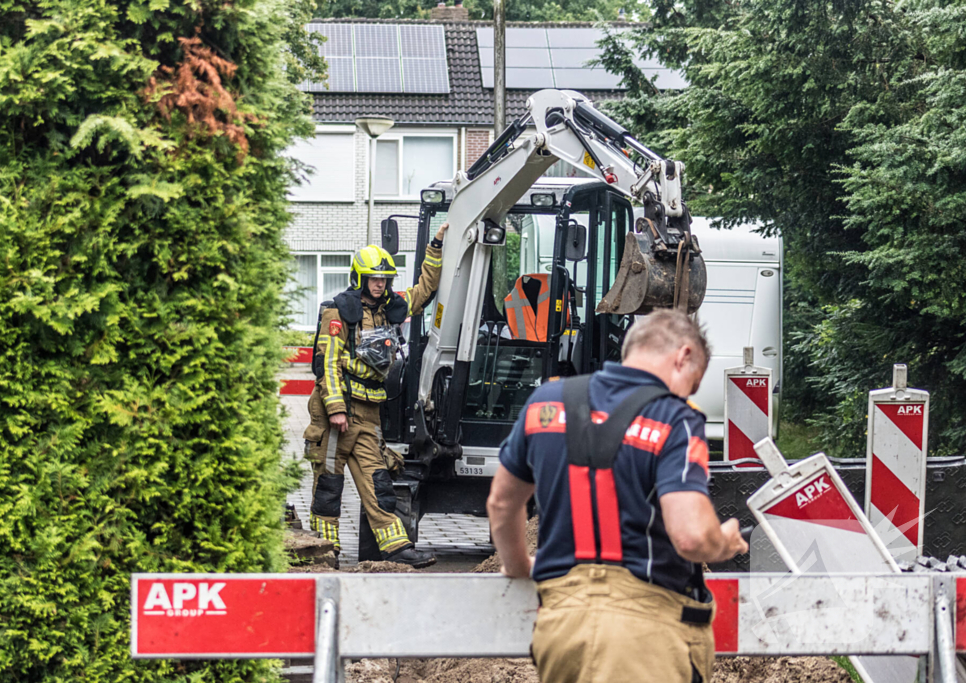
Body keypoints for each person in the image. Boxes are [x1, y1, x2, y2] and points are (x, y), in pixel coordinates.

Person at [487, 309, 748, 683]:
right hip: (646, 635)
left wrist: (517, 566)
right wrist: (723, 542)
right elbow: (690, 535)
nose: (688, 393)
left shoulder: (545, 402)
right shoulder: (675, 418)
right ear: (684, 356)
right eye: (693, 383)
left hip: (560, 630)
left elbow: (502, 503)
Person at [304, 223, 449, 568]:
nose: (380, 284)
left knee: (379, 482)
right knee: (329, 487)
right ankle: (326, 552)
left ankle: (397, 548)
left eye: (384, 279)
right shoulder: (338, 313)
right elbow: (328, 365)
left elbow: (424, 290)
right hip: (337, 416)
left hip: (368, 415)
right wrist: (336, 409)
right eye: (374, 278)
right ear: (360, 278)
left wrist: (436, 245)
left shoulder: (390, 308)